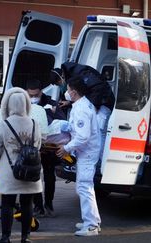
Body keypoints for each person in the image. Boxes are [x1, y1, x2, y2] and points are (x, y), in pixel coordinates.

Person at [0, 87, 42, 243]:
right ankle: (25, 237)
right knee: (27, 204)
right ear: (26, 104)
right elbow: (38, 145)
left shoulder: (4, 124)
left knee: (7, 204)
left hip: (10, 171)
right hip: (31, 169)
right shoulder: (34, 123)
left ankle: (5, 237)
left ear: (8, 105)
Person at [56, 76, 101, 237]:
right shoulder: (81, 104)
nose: (66, 93)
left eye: (67, 90)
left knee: (84, 187)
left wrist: (66, 148)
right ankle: (92, 220)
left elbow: (83, 136)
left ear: (73, 92)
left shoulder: (81, 109)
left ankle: (91, 226)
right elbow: (78, 129)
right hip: (87, 151)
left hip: (87, 153)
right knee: (85, 187)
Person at [26, 79, 66, 217]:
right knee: (34, 176)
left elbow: (61, 122)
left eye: (35, 95)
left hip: (49, 148)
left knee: (49, 176)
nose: (33, 98)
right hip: (33, 149)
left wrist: (46, 113)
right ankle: (38, 206)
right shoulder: (24, 105)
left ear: (41, 92)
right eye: (30, 95)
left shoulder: (51, 104)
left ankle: (48, 204)